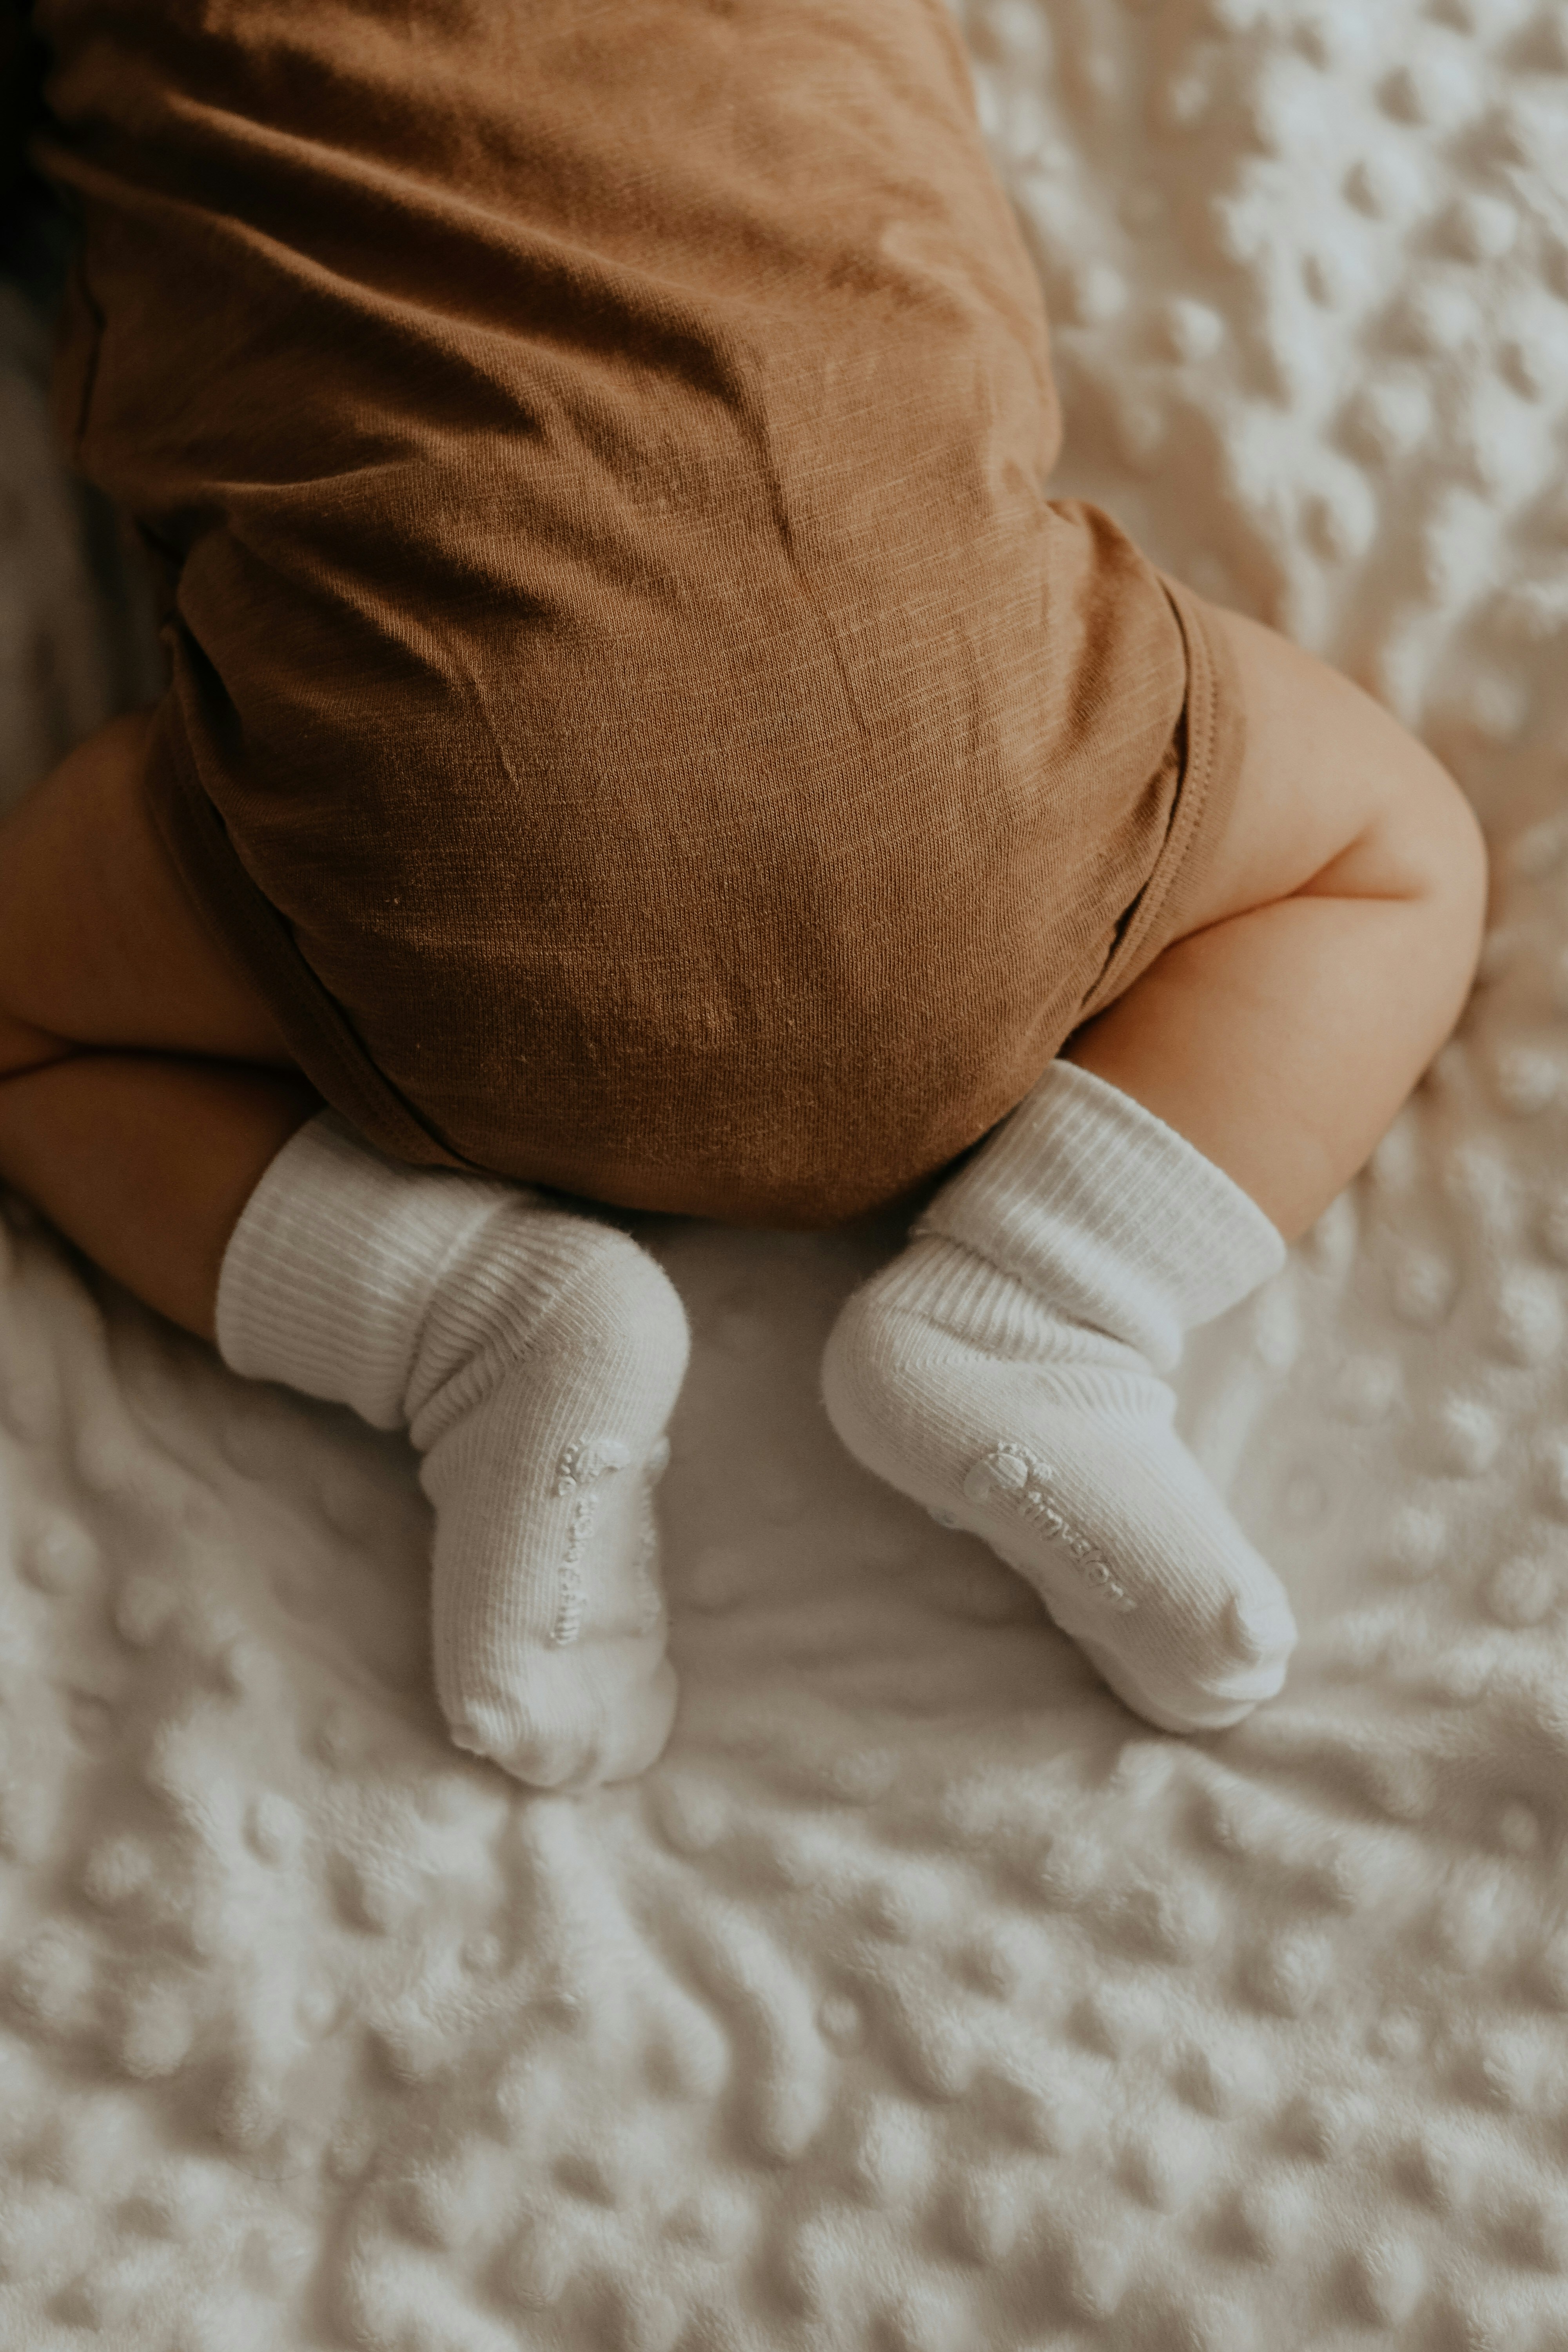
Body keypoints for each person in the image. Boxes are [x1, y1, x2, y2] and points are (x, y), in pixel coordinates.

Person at [0, 0, 1486, 1788]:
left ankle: (463, 1323)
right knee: (1395, 850)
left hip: (416, 857)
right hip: (977, 784)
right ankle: (1049, 1305)